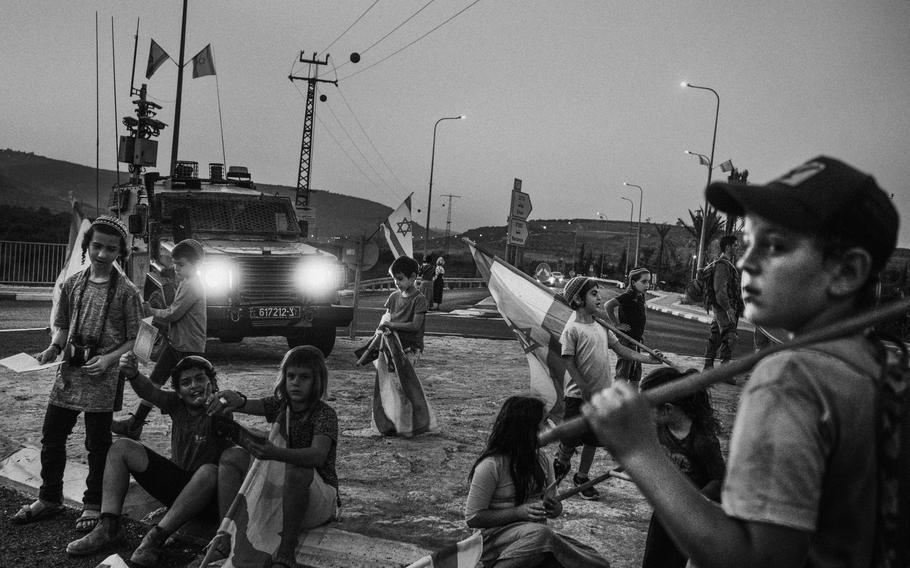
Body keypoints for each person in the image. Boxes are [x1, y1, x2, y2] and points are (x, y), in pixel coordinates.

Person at [584, 156, 899, 567]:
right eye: (750, 243)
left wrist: (640, 450)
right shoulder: (886, 368)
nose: (748, 262)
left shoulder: (791, 379)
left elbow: (751, 558)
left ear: (847, 271)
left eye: (776, 246)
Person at [12, 216, 142, 533]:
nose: (102, 254)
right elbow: (63, 327)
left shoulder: (127, 292)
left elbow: (137, 338)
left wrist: (110, 360)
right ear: (87, 246)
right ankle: (49, 497)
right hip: (69, 376)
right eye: (96, 246)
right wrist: (52, 350)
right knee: (52, 437)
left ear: (120, 253)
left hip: (103, 378)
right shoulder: (72, 284)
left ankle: (92, 505)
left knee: (97, 445)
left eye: (111, 249)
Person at [65, 354, 233, 566]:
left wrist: (219, 407)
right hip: (179, 489)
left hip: (209, 497)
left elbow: (228, 432)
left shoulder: (222, 408)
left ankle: (156, 537)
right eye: (186, 382)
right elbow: (151, 392)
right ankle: (109, 525)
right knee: (122, 448)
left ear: (213, 383)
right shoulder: (176, 405)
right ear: (179, 392)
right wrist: (134, 374)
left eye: (200, 379)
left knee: (209, 470)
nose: (194, 386)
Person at [208, 346, 339, 568]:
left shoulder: (324, 414)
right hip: (283, 493)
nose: (296, 382)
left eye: (304, 377)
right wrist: (234, 400)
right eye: (291, 376)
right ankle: (227, 534)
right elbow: (249, 404)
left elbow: (317, 456)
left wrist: (274, 453)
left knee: (299, 469)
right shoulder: (281, 406)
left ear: (317, 381)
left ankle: (286, 550)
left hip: (318, 499)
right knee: (232, 456)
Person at [465, 396, 610, 568]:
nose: (549, 428)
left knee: (598, 562)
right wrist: (518, 513)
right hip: (494, 543)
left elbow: (555, 508)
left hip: (533, 542)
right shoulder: (491, 465)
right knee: (543, 535)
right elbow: (473, 517)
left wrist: (554, 508)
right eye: (543, 422)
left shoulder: (543, 460)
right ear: (525, 429)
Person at [553, 276, 660, 500]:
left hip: (601, 395)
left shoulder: (601, 326)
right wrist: (583, 387)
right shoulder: (572, 329)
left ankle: (582, 477)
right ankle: (560, 463)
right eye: (593, 294)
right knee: (571, 437)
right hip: (577, 396)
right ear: (578, 300)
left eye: (598, 292)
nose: (599, 297)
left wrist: (649, 359)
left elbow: (622, 351)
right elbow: (568, 361)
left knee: (593, 438)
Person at [113, 238, 207, 440]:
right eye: (175, 264)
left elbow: (173, 314)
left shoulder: (192, 285)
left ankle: (193, 430)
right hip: (178, 344)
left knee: (188, 391)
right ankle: (135, 424)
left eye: (181, 264)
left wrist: (150, 310)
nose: (176, 268)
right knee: (155, 382)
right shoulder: (185, 283)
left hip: (188, 348)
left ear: (196, 265)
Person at [637, 367, 725, 568]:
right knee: (652, 560)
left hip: (690, 519)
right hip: (665, 510)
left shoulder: (702, 441)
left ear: (668, 409)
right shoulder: (660, 428)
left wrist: (696, 500)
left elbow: (721, 480)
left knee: (674, 561)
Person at [702, 234, 745, 371]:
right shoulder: (722, 265)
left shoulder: (728, 264)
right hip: (724, 308)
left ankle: (709, 366)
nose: (738, 247)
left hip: (725, 307)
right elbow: (720, 290)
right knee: (730, 337)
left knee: (716, 335)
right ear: (728, 247)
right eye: (735, 245)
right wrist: (728, 308)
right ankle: (722, 369)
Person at [605, 267, 652, 383]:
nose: (647, 285)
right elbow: (608, 305)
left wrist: (639, 334)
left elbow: (638, 317)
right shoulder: (628, 296)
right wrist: (616, 324)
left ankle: (631, 398)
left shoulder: (640, 296)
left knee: (635, 375)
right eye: (644, 281)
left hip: (636, 341)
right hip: (626, 341)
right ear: (633, 282)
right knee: (623, 374)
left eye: (648, 281)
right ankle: (618, 399)